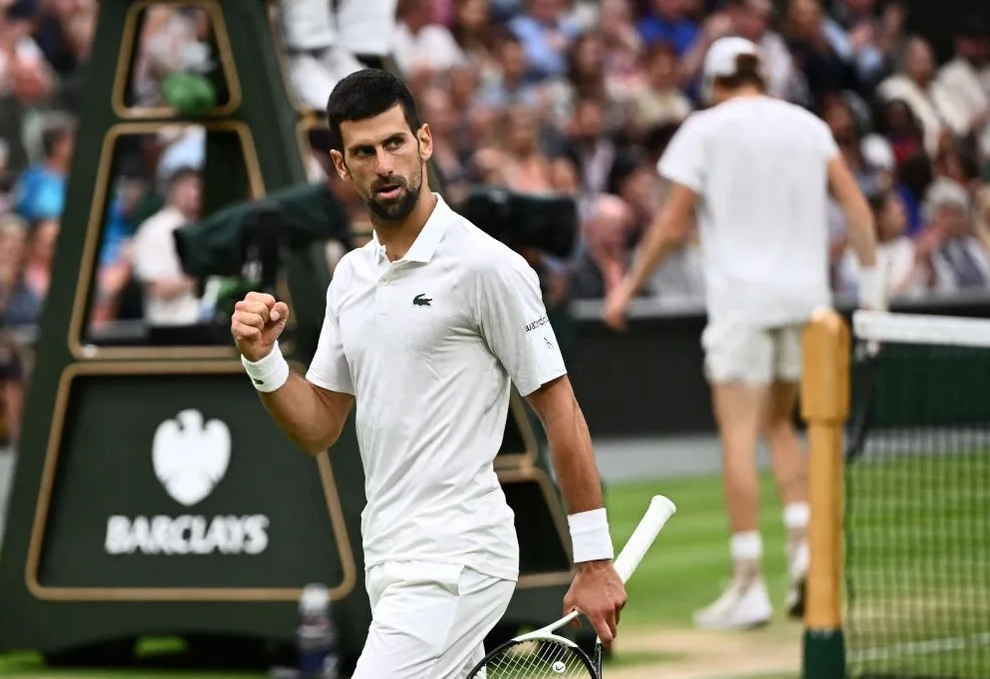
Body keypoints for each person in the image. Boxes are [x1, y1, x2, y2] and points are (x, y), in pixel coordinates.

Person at [231, 69, 626, 678]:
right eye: (364, 152)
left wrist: (594, 560)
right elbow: (317, 427)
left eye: (394, 144)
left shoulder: (486, 267)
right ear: (341, 166)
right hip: (389, 556)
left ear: (424, 141)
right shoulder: (350, 279)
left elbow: (561, 411)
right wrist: (263, 360)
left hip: (459, 557)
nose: (384, 164)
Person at [603, 37, 881, 630]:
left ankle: (750, 582)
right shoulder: (807, 126)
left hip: (742, 307)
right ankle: (806, 559)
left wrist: (627, 289)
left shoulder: (702, 129)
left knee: (739, 433)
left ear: (714, 82)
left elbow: (674, 221)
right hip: (807, 305)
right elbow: (857, 208)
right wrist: (875, 297)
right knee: (783, 425)